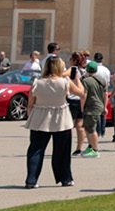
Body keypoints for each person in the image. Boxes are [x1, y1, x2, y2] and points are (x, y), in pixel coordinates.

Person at [22, 57, 84, 188]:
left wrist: (30, 116)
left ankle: (31, 180)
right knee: (62, 151)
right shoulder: (64, 82)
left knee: (36, 149)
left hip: (40, 115)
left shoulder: (37, 82)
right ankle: (65, 178)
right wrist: (77, 79)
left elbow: (30, 104)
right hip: (61, 116)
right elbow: (81, 93)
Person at [77, 61, 105, 156]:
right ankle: (91, 147)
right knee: (89, 127)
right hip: (99, 105)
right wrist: (104, 106)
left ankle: (95, 150)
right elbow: (105, 95)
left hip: (91, 106)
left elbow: (84, 95)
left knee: (91, 128)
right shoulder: (101, 80)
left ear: (87, 70)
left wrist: (82, 106)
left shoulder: (86, 81)